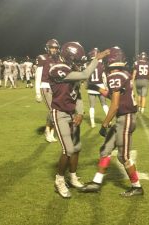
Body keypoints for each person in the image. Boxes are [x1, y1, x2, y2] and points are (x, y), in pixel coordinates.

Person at [80, 46, 143, 197]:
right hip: (123, 118)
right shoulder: (122, 74)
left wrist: (104, 123)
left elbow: (114, 105)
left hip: (125, 118)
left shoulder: (116, 76)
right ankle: (97, 182)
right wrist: (96, 87)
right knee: (105, 150)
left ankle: (137, 187)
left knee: (124, 157)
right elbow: (113, 95)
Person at [49, 41, 110, 198]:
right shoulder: (57, 68)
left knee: (76, 148)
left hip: (72, 113)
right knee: (67, 149)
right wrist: (95, 59)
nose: (77, 63)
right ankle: (59, 181)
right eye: (75, 59)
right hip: (60, 113)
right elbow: (84, 74)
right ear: (69, 56)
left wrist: (80, 112)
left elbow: (77, 93)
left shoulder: (71, 68)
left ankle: (73, 177)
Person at [35, 39, 62, 143]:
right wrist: (37, 92)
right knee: (53, 110)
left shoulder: (58, 59)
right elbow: (38, 76)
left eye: (55, 48)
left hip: (56, 87)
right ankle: (47, 130)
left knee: (57, 109)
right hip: (45, 86)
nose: (54, 49)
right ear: (47, 48)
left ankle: (51, 132)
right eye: (52, 47)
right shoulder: (43, 58)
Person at [86, 48, 109, 128]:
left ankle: (92, 123)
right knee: (104, 104)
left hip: (91, 87)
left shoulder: (88, 64)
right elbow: (104, 77)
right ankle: (109, 121)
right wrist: (106, 87)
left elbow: (86, 76)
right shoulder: (101, 65)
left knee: (92, 106)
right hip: (100, 86)